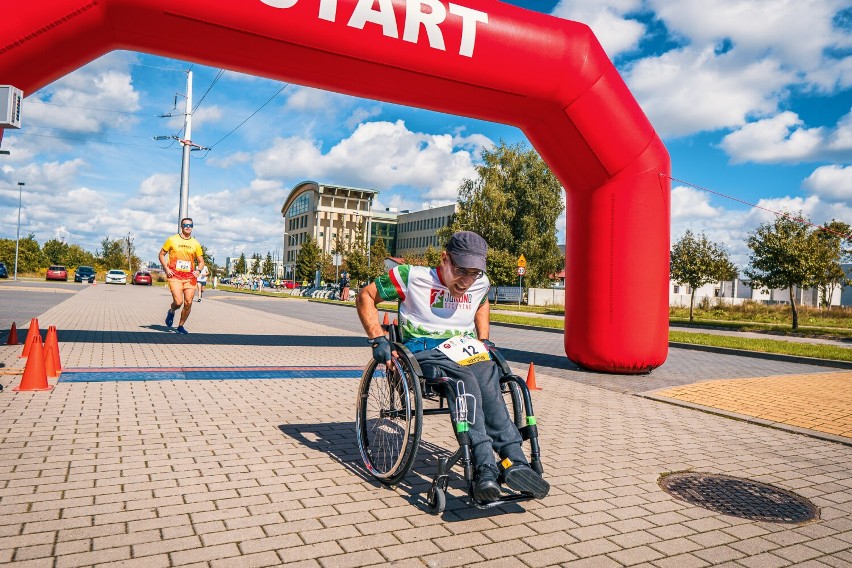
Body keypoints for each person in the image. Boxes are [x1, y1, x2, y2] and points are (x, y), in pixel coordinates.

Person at [356, 231, 549, 504]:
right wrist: (377, 337)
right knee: (464, 380)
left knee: (490, 377)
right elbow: (366, 295)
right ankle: (485, 466)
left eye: (474, 273)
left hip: (464, 349)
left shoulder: (479, 284)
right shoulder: (411, 277)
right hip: (426, 351)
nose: (467, 281)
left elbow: (481, 302)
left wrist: (483, 338)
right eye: (461, 271)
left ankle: (514, 461)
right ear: (444, 259)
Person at [158, 217, 205, 334]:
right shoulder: (172, 240)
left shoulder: (195, 243)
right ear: (181, 227)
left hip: (190, 277)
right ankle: (172, 311)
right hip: (174, 276)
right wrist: (166, 268)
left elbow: (201, 261)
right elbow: (161, 254)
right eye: (186, 225)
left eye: (190, 225)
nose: (188, 227)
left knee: (188, 302)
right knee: (178, 302)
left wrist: (198, 271)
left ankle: (180, 326)